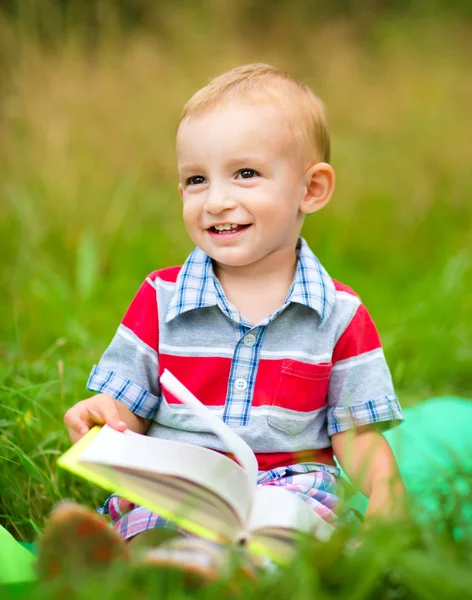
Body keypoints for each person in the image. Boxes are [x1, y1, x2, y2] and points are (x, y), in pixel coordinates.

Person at [40, 63, 407, 583]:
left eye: (246, 174)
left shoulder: (339, 315)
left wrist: (387, 497)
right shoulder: (160, 299)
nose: (215, 200)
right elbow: (128, 408)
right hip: (184, 479)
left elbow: (357, 435)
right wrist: (105, 414)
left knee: (293, 539)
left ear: (312, 189)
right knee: (153, 521)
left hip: (290, 488)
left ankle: (229, 578)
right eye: (195, 179)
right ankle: (141, 568)